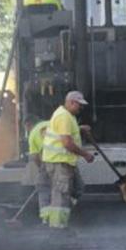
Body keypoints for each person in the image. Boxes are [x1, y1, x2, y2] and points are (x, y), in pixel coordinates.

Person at [40, 91, 94, 229]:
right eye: (79, 105)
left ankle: (55, 220)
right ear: (71, 102)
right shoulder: (64, 117)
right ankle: (57, 227)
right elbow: (67, 143)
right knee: (61, 195)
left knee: (77, 188)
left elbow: (64, 133)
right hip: (59, 162)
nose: (80, 108)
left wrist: (79, 128)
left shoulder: (66, 115)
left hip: (63, 162)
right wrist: (85, 154)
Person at [26, 114, 50, 222]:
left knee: (43, 188)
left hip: (49, 161)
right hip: (65, 160)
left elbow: (35, 157)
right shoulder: (51, 124)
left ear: (29, 125)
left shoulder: (33, 133)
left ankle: (46, 219)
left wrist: (41, 167)